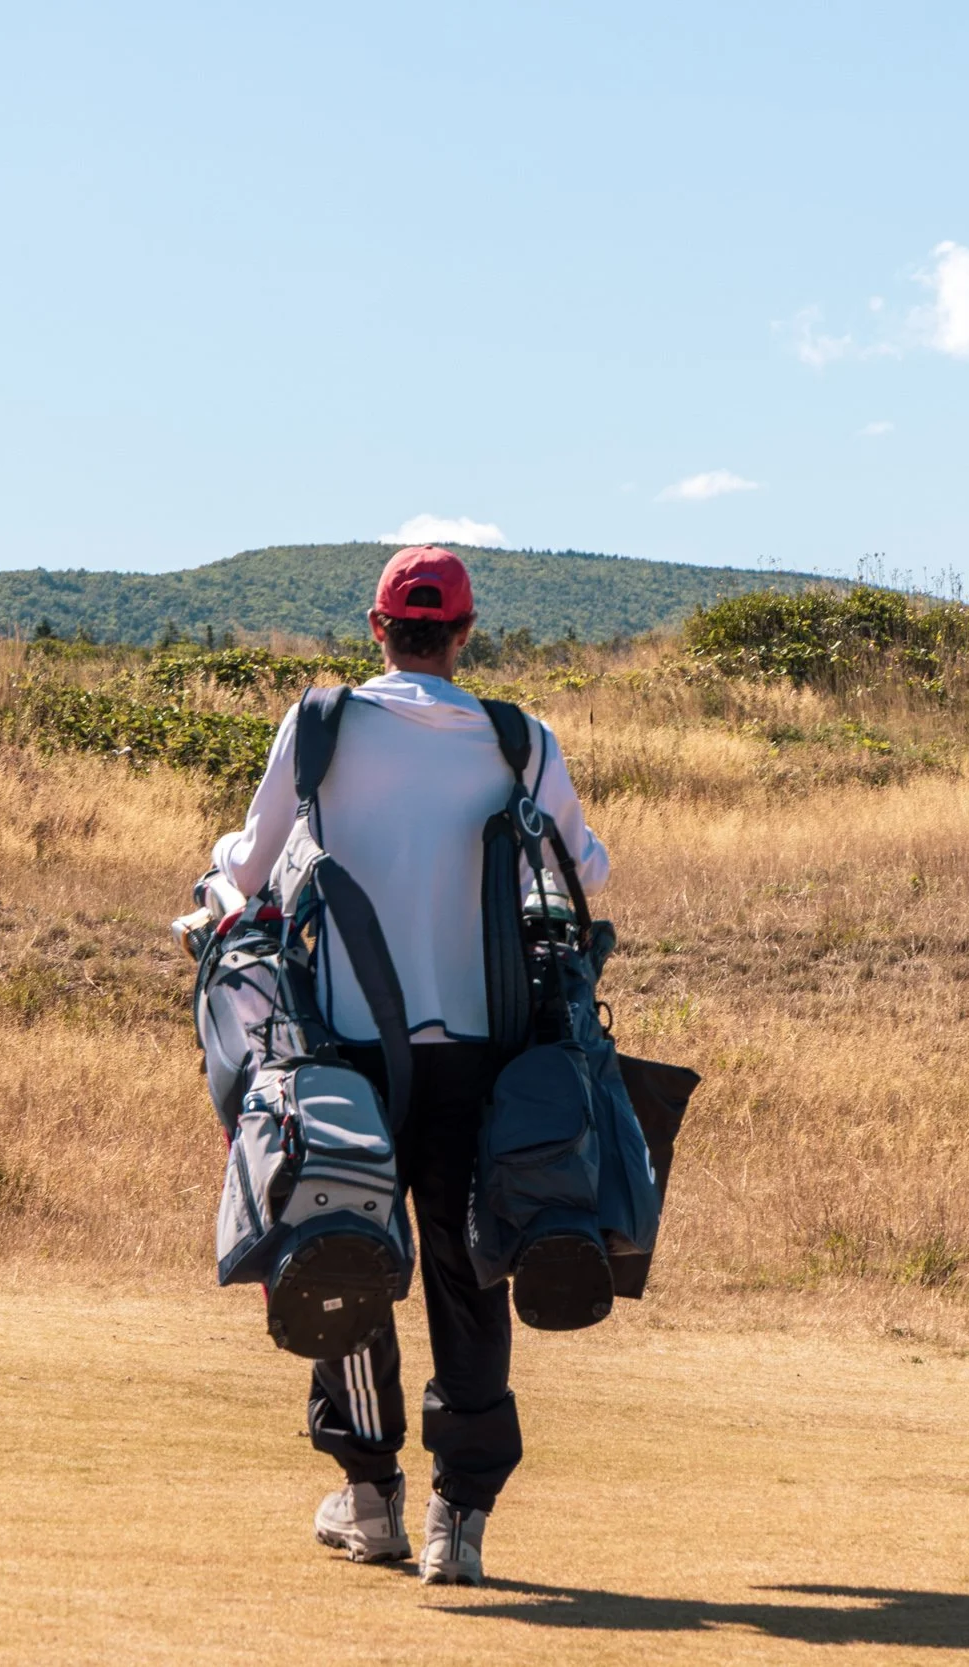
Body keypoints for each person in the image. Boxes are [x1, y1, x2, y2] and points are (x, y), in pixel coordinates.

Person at [206, 546, 609, 1586]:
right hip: (486, 1054)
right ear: (464, 634)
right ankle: (456, 1520)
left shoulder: (323, 724)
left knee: (343, 1253)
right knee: (468, 1276)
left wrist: (220, 889)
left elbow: (245, 867)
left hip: (346, 1049)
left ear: (378, 628)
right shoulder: (519, 737)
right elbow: (588, 871)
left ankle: (370, 1494)